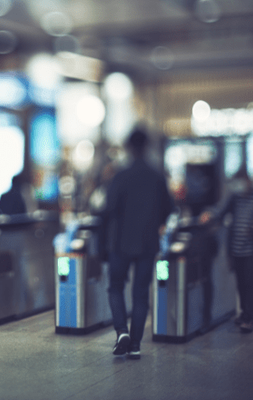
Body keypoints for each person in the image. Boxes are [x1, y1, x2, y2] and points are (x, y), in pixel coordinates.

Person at [103, 128, 174, 359]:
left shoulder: (120, 175)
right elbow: (169, 209)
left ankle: (121, 331)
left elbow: (109, 208)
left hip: (120, 242)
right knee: (141, 294)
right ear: (147, 146)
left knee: (115, 286)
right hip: (147, 242)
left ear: (128, 147)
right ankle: (135, 344)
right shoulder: (157, 175)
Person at [199, 168, 253, 333]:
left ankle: (249, 317)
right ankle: (244, 313)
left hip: (251, 248)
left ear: (248, 181)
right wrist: (209, 215)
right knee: (241, 282)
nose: (238, 185)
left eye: (241, 181)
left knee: (250, 282)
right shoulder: (234, 197)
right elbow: (220, 210)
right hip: (236, 248)